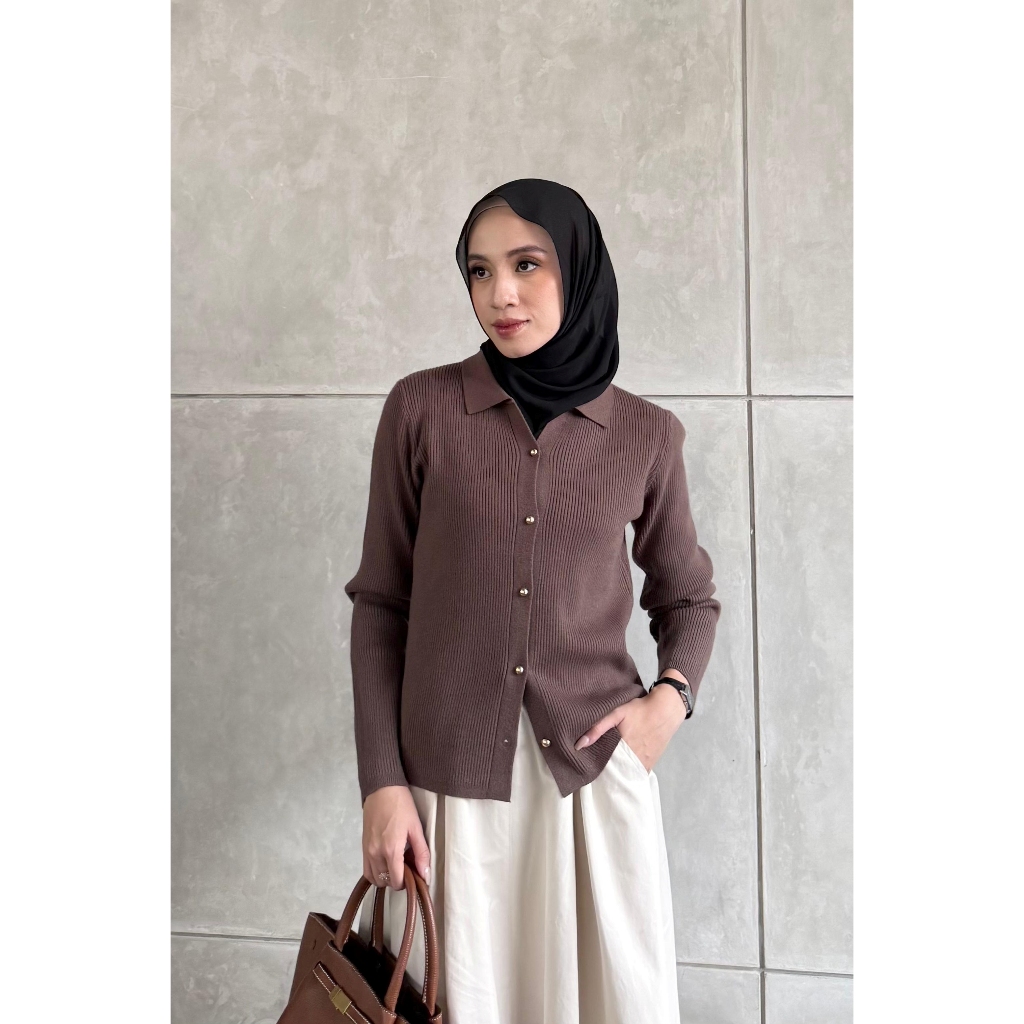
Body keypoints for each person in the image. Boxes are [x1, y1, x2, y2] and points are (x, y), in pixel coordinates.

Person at [342, 178, 720, 1023]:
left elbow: (689, 599)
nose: (499, 295)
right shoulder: (421, 409)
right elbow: (381, 604)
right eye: (479, 271)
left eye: (526, 265)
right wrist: (381, 783)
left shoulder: (646, 434)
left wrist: (668, 703)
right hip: (446, 794)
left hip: (591, 784)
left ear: (578, 271)